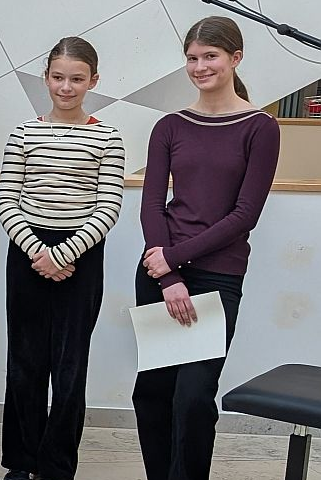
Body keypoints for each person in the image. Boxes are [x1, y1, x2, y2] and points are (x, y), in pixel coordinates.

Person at [135, 16, 278, 480]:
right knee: (153, 394)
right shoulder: (170, 126)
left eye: (210, 56)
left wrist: (173, 260)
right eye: (192, 58)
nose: (200, 67)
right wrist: (168, 275)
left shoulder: (260, 127)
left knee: (193, 398)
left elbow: (244, 215)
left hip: (217, 275)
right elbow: (152, 205)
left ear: (235, 58)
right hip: (161, 273)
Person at [0, 37, 125, 480]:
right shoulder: (22, 133)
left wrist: (64, 254)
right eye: (57, 77)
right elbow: (6, 200)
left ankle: (56, 467)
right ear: (46, 78)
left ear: (93, 81)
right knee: (24, 363)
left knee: (70, 368)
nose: (66, 87)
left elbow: (108, 207)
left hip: (81, 257)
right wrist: (39, 252)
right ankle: (21, 461)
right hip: (27, 253)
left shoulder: (108, 137)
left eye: (76, 79)